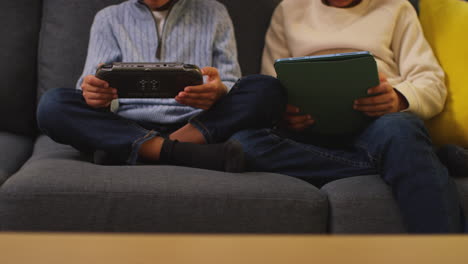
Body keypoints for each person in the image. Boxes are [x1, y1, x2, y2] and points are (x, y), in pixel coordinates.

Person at [229, 0, 465, 233]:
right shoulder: (288, 9)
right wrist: (282, 115)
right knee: (244, 143)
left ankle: (445, 252)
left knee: (400, 130)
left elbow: (432, 83)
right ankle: (415, 159)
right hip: (306, 135)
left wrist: (398, 98)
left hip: (379, 124)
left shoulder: (396, 8)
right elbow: (270, 86)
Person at [36, 0, 286, 172]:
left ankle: (138, 149)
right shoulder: (109, 19)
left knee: (266, 89)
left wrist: (218, 91)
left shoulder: (214, 12)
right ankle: (177, 152)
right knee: (52, 105)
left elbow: (231, 82)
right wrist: (95, 94)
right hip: (123, 123)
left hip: (198, 124)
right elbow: (88, 87)